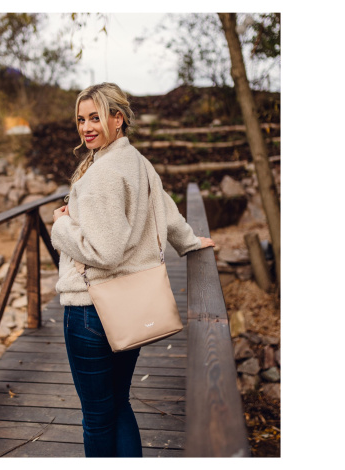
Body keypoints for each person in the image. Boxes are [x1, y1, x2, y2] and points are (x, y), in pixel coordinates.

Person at [50, 83, 215, 457]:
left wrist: (61, 226)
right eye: (81, 119)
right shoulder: (138, 162)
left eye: (95, 118)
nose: (86, 127)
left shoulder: (102, 174)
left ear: (118, 118)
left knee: (97, 418)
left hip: (91, 310)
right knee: (119, 403)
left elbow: (104, 252)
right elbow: (166, 213)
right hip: (131, 306)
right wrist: (190, 242)